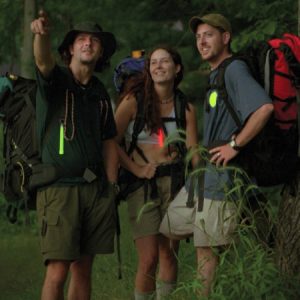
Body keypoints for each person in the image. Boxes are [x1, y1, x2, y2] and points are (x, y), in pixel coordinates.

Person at [30, 10, 119, 300]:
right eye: (81, 39)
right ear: (70, 48)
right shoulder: (56, 81)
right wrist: (40, 35)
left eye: (94, 41)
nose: (88, 44)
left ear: (101, 51)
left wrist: (111, 185)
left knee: (83, 270)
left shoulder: (99, 91)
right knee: (57, 271)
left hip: (94, 189)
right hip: (60, 189)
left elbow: (109, 140)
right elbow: (42, 60)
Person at [188, 13, 274, 296]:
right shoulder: (217, 72)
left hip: (224, 179)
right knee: (170, 227)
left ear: (226, 37)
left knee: (206, 251)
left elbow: (264, 109)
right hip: (207, 177)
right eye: (198, 37)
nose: (202, 41)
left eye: (209, 35)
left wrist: (234, 146)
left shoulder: (234, 69)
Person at [114, 45, 198, 300]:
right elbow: (110, 141)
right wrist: (136, 168)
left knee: (168, 255)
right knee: (149, 258)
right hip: (142, 186)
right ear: (149, 71)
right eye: (154, 63)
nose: (159, 66)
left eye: (165, 62)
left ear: (177, 68)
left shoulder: (186, 108)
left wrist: (200, 189)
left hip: (174, 185)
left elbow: (194, 152)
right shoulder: (132, 102)